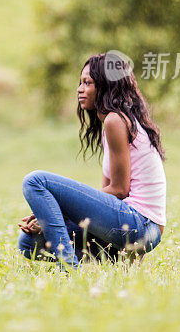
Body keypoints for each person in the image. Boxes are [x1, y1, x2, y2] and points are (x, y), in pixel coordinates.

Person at [18, 53, 166, 268]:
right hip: (132, 227)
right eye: (80, 82)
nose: (79, 89)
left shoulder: (116, 121)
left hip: (141, 225)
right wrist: (49, 216)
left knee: (35, 181)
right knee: (29, 243)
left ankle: (68, 269)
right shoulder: (112, 123)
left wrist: (57, 209)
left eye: (87, 83)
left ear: (106, 86)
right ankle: (113, 260)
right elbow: (105, 195)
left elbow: (119, 190)